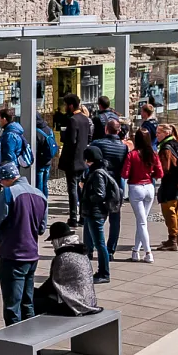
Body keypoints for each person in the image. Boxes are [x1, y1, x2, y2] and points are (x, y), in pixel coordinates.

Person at [0, 161, 47, 325]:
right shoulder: (40, 195)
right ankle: (32, 343)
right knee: (28, 303)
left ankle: (14, 345)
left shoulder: (9, 194)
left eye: (1, 180)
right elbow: (41, 228)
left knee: (12, 306)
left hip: (13, 255)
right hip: (32, 255)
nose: (0, 183)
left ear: (6, 179)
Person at [34, 222, 104, 317]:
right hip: (88, 302)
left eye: (53, 240)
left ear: (58, 239)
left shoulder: (62, 258)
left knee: (34, 301)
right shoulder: (81, 253)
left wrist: (36, 293)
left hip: (75, 307)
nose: (52, 243)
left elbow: (52, 284)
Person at [119, 132, 163, 263]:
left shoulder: (132, 155)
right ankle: (135, 251)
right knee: (142, 221)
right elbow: (160, 173)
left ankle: (148, 252)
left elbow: (125, 174)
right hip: (149, 187)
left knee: (142, 222)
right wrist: (150, 173)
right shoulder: (153, 154)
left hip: (136, 188)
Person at [79, 145, 119, 284]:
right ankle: (102, 271)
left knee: (100, 244)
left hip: (95, 212)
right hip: (95, 212)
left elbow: (99, 194)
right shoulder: (98, 170)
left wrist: (86, 194)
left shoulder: (97, 173)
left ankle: (104, 273)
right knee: (98, 243)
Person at [88, 118, 128, 257]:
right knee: (115, 218)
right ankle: (110, 250)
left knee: (92, 215)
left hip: (98, 182)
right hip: (115, 184)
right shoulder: (124, 147)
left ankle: (90, 248)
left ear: (106, 129)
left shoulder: (97, 143)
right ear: (118, 131)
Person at [56, 94, 92, 226]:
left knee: (72, 188)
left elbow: (71, 140)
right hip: (82, 158)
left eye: (66, 105)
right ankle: (82, 215)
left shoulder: (73, 120)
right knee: (79, 187)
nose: (65, 107)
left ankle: (73, 216)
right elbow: (88, 137)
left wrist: (63, 135)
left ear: (70, 105)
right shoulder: (85, 119)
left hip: (72, 160)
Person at [154, 124, 178, 252]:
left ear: (166, 133)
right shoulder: (175, 143)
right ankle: (174, 238)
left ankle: (172, 240)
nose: (156, 135)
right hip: (176, 182)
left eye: (159, 133)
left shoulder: (166, 148)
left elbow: (165, 168)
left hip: (169, 183)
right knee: (175, 210)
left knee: (169, 210)